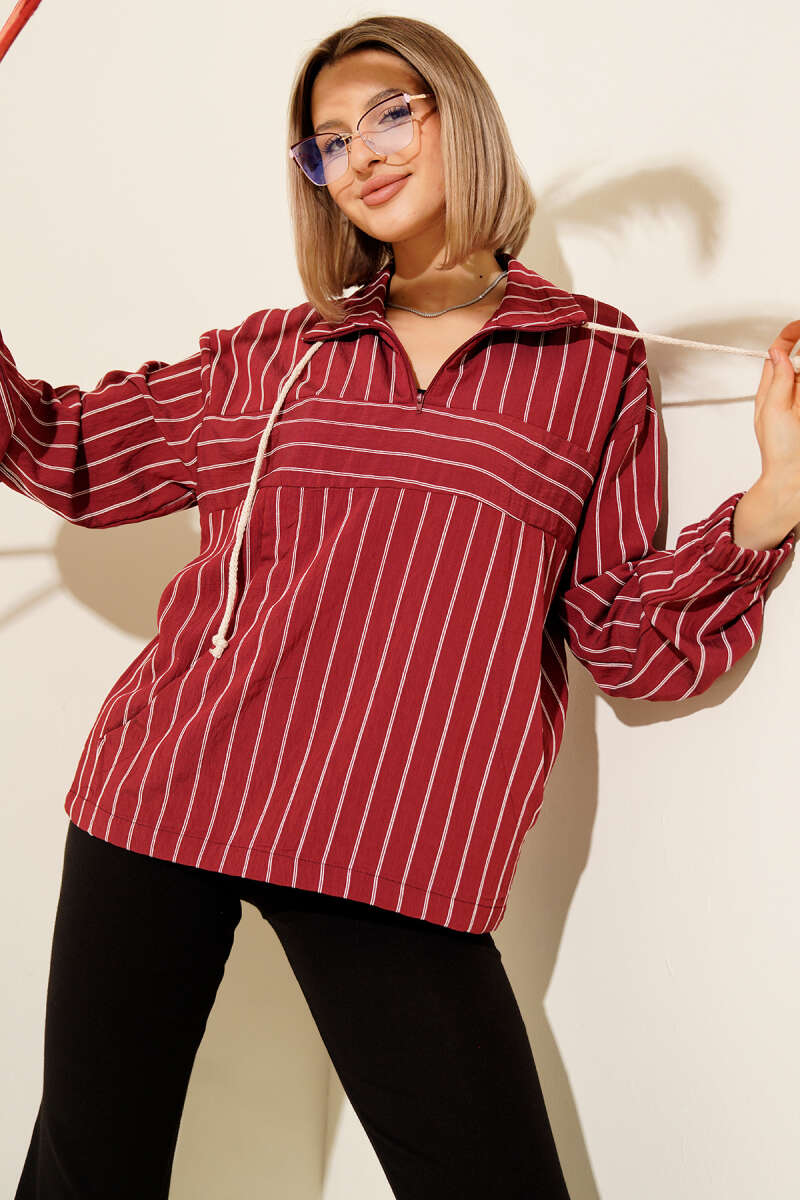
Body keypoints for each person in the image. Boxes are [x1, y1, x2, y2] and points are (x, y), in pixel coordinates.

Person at [5, 13, 800, 1200]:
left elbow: (624, 639)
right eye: (327, 141)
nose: (361, 155)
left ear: (456, 116)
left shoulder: (590, 362)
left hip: (395, 836)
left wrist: (771, 500)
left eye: (388, 115)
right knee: (85, 1177)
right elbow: (61, 448)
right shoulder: (268, 354)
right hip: (168, 796)